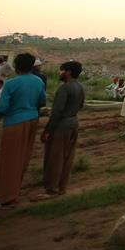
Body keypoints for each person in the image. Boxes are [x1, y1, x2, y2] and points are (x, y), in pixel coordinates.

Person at [0, 52, 46, 210]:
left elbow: (1, 108)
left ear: (16, 66)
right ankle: (14, 192)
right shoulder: (38, 81)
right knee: (23, 157)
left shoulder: (11, 83)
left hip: (14, 122)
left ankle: (6, 198)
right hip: (32, 119)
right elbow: (41, 101)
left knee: (9, 160)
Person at [35, 61, 85, 201]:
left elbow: (56, 113)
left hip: (61, 126)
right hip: (74, 123)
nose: (59, 73)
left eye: (61, 70)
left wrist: (47, 130)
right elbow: (80, 105)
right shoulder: (80, 87)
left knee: (55, 158)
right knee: (67, 158)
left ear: (68, 72)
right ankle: (62, 188)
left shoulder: (64, 88)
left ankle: (51, 190)